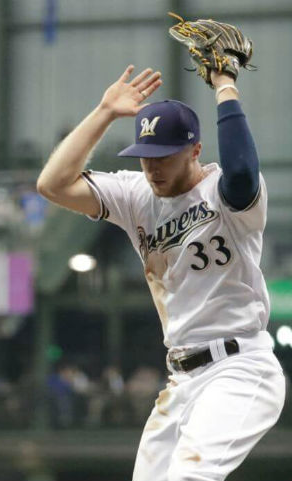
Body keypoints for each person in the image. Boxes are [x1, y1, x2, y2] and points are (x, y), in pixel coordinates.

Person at [37, 65, 285, 480]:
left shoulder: (224, 192)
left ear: (194, 150)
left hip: (240, 368)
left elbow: (242, 171)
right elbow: (53, 184)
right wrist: (103, 112)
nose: (152, 168)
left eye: (164, 156)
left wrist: (225, 86)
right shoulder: (136, 195)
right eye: (145, 157)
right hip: (182, 379)